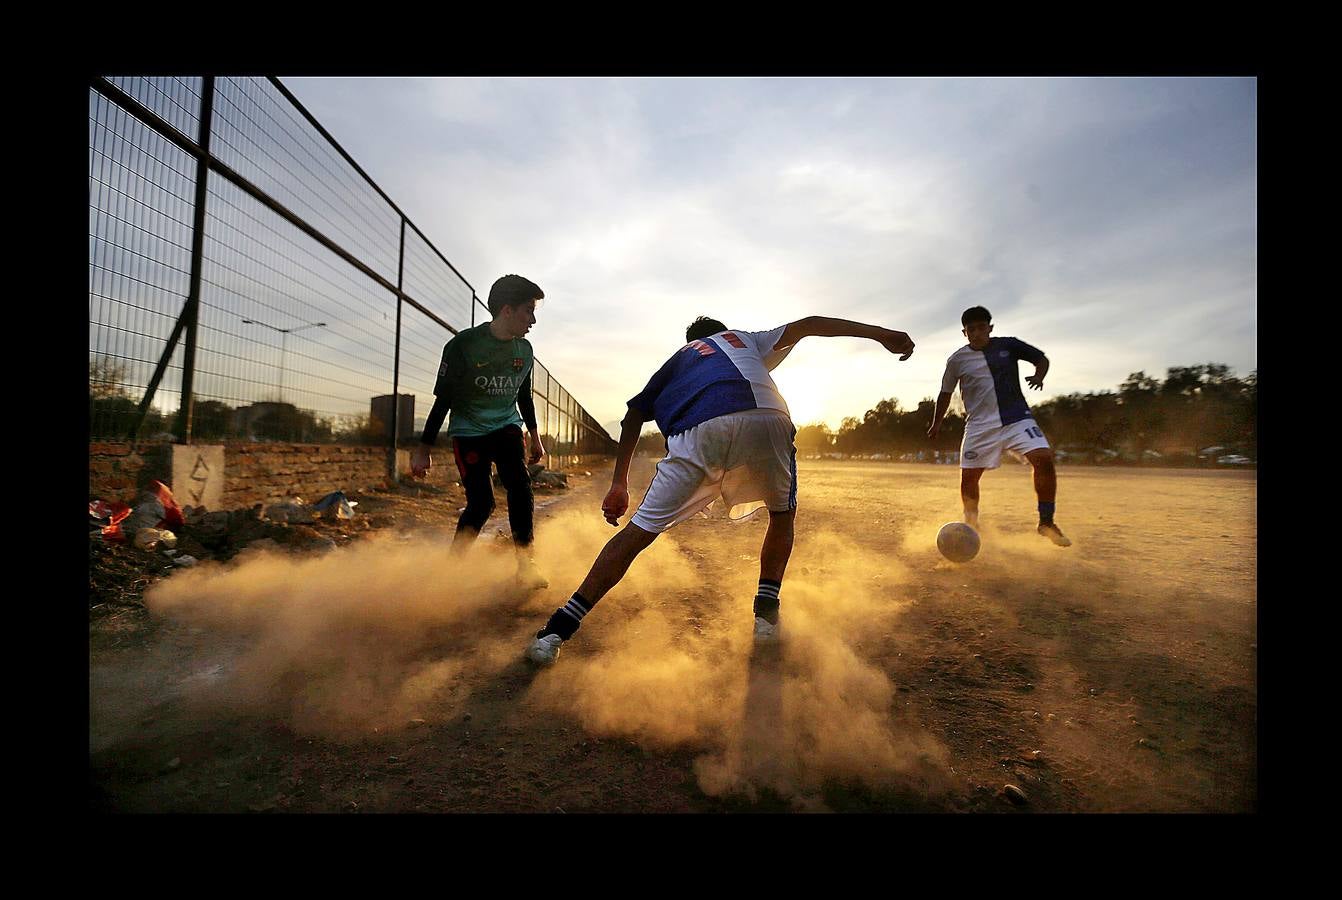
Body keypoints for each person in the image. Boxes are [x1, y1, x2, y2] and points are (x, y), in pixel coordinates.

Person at [524, 314, 916, 666]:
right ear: (722, 332)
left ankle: (556, 632)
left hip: (700, 430)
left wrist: (618, 485)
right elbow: (808, 324)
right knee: (782, 515)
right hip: (769, 419)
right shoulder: (742, 338)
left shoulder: (678, 360)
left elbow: (633, 416)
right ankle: (766, 616)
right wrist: (881, 334)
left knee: (637, 534)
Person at [410, 274, 549, 588]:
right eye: (529, 310)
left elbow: (523, 395)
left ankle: (526, 565)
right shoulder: (463, 346)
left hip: (507, 427)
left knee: (519, 485)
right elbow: (444, 399)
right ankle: (453, 565)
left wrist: (536, 437)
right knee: (482, 504)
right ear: (507, 310)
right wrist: (423, 449)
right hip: (469, 431)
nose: (533, 319)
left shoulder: (524, 351)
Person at [926, 305, 1071, 546]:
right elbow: (944, 392)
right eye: (971, 329)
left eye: (981, 327)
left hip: (1017, 418)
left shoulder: (1009, 345)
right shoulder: (957, 360)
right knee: (969, 477)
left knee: (1043, 458)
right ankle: (971, 522)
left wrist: (1039, 376)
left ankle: (1046, 522)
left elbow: (1041, 358)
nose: (977, 333)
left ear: (990, 328)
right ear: (964, 333)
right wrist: (936, 422)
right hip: (979, 426)